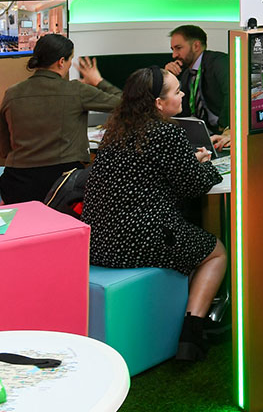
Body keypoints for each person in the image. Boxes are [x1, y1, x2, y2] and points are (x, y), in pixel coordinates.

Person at [81, 67, 226, 361]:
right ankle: (192, 331)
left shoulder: (116, 132)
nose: (182, 93)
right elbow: (194, 184)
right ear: (158, 103)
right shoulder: (166, 133)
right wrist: (205, 165)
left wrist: (188, 161)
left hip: (99, 241)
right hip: (142, 239)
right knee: (217, 252)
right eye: (176, 91)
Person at [0, 35, 121, 204]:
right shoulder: (76, 90)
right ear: (61, 61)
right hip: (63, 184)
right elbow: (125, 103)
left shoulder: (11, 93)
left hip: (17, 183)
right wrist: (98, 81)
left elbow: (4, 147)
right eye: (71, 59)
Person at [165, 25, 230, 144]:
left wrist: (227, 127)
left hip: (224, 133)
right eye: (173, 49)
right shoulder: (186, 75)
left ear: (196, 46)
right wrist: (167, 78)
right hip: (202, 137)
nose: (174, 55)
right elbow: (180, 113)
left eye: (178, 48)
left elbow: (233, 93)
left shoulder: (219, 62)